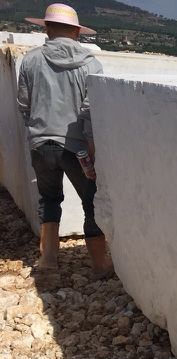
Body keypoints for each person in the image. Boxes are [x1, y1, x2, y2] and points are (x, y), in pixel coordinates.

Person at [17, 3, 113, 279]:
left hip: (40, 143)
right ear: (76, 32)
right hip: (76, 147)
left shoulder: (30, 60)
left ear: (47, 28)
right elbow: (91, 112)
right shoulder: (91, 65)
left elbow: (24, 104)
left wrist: (38, 130)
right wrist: (92, 150)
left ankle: (48, 259)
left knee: (49, 199)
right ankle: (99, 264)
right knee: (91, 201)